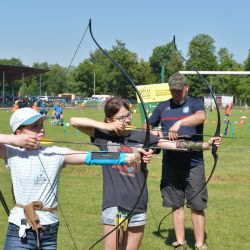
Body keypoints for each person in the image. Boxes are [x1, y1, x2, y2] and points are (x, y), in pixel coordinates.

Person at [70, 97, 221, 250]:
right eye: (121, 117)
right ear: (110, 120)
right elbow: (74, 121)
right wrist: (105, 126)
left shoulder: (142, 136)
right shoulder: (102, 135)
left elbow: (175, 145)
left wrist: (205, 145)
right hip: (113, 203)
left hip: (138, 203)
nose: (127, 120)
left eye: (128, 115)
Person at [0, 107, 152, 250]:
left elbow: (92, 157)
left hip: (49, 228)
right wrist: (13, 140)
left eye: (41, 124)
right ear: (19, 132)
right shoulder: (11, 152)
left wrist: (131, 156)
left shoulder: (55, 153)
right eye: (34, 126)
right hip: (20, 228)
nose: (41, 129)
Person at [145, 72, 210, 250]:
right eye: (173, 90)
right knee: (175, 204)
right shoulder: (162, 107)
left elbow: (201, 117)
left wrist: (179, 123)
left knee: (196, 205)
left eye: (179, 90)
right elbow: (147, 127)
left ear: (186, 87)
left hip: (193, 164)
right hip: (170, 163)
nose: (176, 94)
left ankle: (199, 244)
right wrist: (154, 132)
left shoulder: (195, 102)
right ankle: (180, 242)